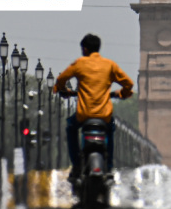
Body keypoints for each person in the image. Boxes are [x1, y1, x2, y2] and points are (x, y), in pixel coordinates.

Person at [53, 33, 134, 180]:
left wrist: (63, 90)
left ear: (84, 49)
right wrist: (122, 93)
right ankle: (108, 168)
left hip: (84, 115)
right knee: (110, 129)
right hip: (104, 116)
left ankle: (76, 165)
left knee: (70, 128)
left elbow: (60, 80)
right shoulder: (110, 65)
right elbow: (129, 84)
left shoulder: (80, 63)